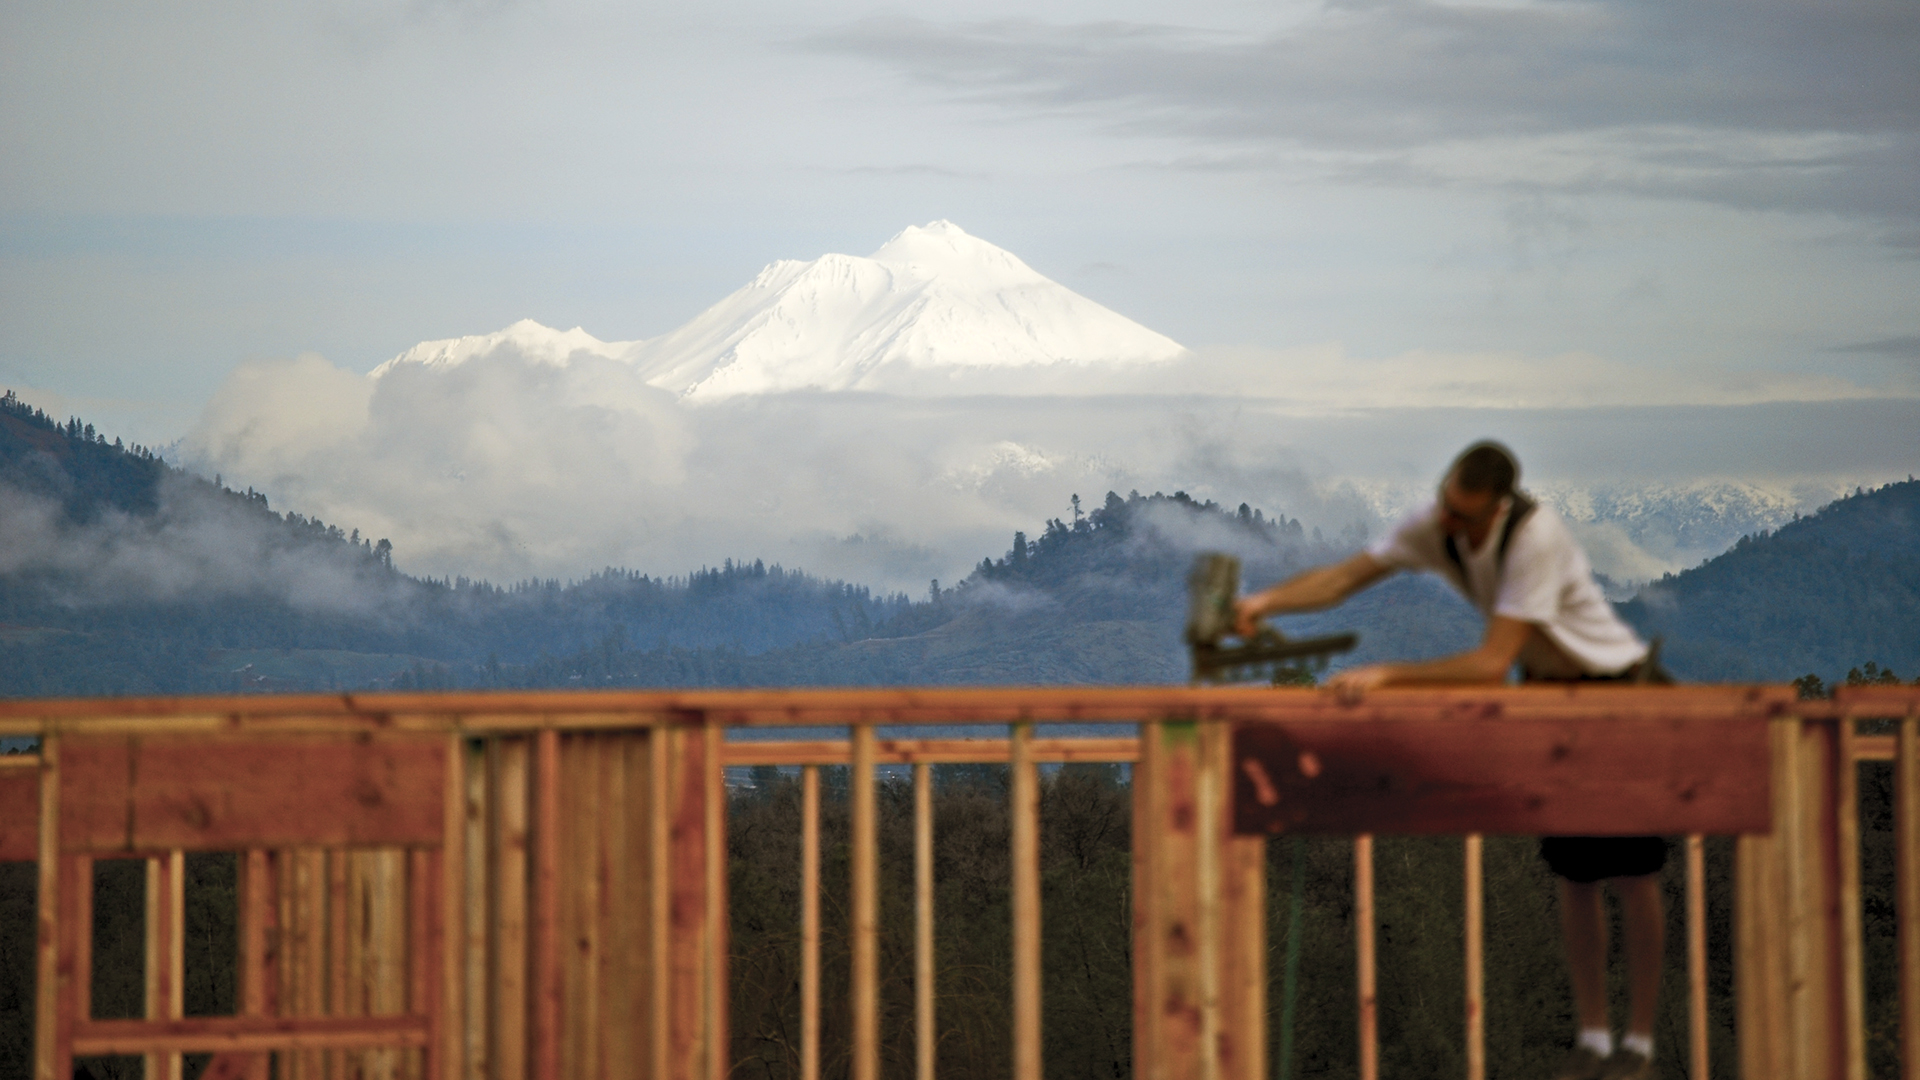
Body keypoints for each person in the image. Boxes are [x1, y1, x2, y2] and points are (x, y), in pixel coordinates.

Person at [1234, 441, 1668, 1080]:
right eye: (1444, 507)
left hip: (1617, 691)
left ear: (1499, 510)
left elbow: (1492, 664)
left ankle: (1642, 1042)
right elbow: (1343, 578)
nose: (1449, 526)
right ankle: (1596, 1038)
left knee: (1633, 875)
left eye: (1464, 517)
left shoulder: (1534, 539)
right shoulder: (1439, 522)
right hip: (1550, 698)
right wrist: (1265, 603)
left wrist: (1386, 676)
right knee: (1575, 875)